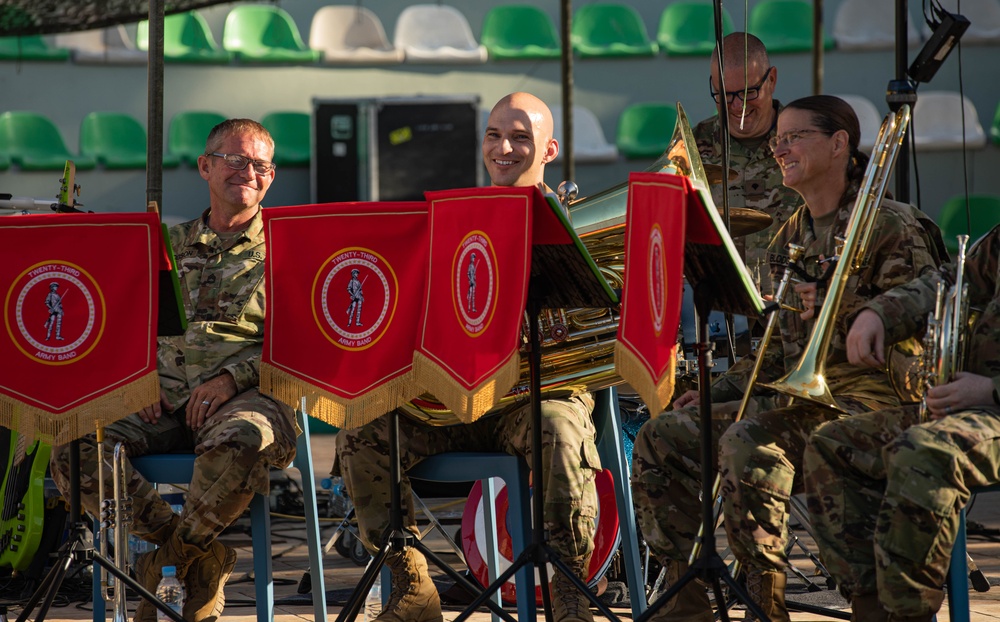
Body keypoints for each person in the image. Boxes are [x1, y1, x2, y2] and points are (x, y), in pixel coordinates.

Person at [631, 95, 946, 621]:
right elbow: (773, 353)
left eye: (794, 136)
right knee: (662, 437)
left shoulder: (891, 225)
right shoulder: (791, 235)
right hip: (804, 404)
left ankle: (762, 600)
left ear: (840, 144)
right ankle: (684, 608)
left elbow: (921, 342)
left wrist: (843, 311)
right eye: (778, 139)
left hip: (876, 405)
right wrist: (717, 390)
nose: (779, 148)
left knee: (746, 440)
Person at [334, 92, 601, 622]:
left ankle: (569, 590)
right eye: (494, 135)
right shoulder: (455, 219)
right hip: (457, 399)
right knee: (360, 425)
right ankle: (412, 584)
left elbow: (598, 327)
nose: (504, 148)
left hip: (535, 399)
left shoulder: (580, 222)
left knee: (559, 430)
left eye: (521, 137)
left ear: (548, 150)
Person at [49, 119, 298, 622]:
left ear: (271, 178)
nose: (248, 172)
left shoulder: (293, 249)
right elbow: (119, 323)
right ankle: (199, 559)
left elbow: (305, 345)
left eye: (261, 165)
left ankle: (162, 566)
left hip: (251, 395)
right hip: (155, 397)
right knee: (75, 448)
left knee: (243, 441)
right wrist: (134, 376)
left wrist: (233, 380)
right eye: (235, 159)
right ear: (206, 165)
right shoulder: (161, 244)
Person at [804, 226, 1000, 622]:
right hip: (974, 408)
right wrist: (878, 313)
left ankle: (908, 614)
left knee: (924, 452)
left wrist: (992, 391)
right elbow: (949, 282)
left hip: (989, 406)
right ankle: (872, 610)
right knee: (832, 445)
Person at [694, 32, 802, 296]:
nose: (738, 106)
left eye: (748, 92)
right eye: (724, 95)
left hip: (794, 313)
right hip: (721, 312)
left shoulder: (806, 141)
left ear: (772, 79)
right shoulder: (691, 147)